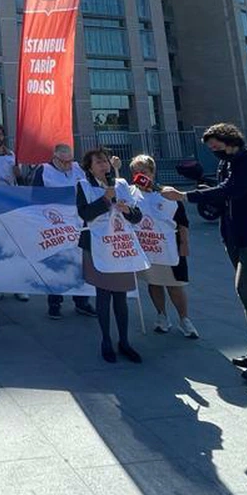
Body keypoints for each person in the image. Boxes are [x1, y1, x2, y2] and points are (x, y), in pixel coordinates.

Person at [163, 123, 247, 385]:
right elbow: (221, 192)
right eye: (211, 149)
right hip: (235, 235)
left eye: (217, 147)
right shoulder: (228, 164)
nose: (215, 152)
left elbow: (230, 190)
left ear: (230, 141)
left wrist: (184, 196)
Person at [77, 148, 142, 363]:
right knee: (103, 295)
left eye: (105, 161)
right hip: (98, 247)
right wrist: (105, 200)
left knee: (121, 297)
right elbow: (85, 214)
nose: (104, 166)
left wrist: (128, 211)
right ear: (89, 168)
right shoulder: (84, 186)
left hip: (120, 247)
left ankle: (124, 341)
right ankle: (106, 340)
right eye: (98, 163)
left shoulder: (122, 185)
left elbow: (137, 216)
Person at [128, 155, 197, 338]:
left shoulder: (168, 194)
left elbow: (182, 222)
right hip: (147, 250)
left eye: (143, 172)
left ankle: (184, 319)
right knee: (154, 283)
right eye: (135, 172)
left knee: (175, 285)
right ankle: (161, 316)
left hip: (169, 249)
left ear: (152, 172)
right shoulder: (130, 194)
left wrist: (185, 244)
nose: (139, 175)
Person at [32, 144, 97, 319]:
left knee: (81, 263)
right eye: (64, 161)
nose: (68, 165)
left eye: (70, 160)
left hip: (78, 222)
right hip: (55, 224)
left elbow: (88, 191)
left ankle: (82, 301)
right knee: (57, 263)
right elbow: (36, 197)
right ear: (55, 158)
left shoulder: (78, 169)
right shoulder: (43, 170)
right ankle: (54, 303)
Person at [0, 124, 29, 303]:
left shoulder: (13, 156)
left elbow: (22, 181)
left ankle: (19, 286)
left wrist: (18, 174)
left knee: (16, 247)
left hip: (11, 203)